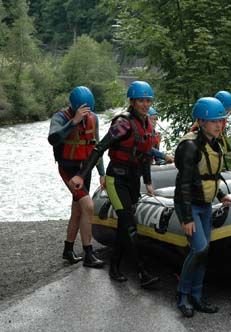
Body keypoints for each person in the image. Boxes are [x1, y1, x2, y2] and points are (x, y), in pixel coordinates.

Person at [68, 81, 159, 288]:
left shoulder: (147, 124)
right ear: (132, 101)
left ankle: (115, 267)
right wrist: (82, 175)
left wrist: (149, 182)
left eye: (148, 101)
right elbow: (99, 148)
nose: (145, 104)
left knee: (124, 225)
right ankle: (143, 272)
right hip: (116, 179)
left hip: (133, 180)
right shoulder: (123, 123)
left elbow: (145, 156)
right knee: (128, 223)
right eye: (141, 101)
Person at [174, 97, 231, 318]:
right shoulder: (190, 147)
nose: (219, 125)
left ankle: (197, 296)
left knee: (204, 252)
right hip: (188, 205)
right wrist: (187, 217)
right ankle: (182, 296)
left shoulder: (214, 143)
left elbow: (209, 175)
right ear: (200, 121)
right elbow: (185, 184)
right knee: (199, 249)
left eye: (221, 120)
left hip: (205, 205)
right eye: (213, 121)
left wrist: (221, 195)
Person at [48, 86, 105, 268]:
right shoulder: (60, 118)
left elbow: (96, 148)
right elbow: (53, 139)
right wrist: (73, 122)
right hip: (68, 170)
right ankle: (89, 254)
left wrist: (102, 173)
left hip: (85, 169)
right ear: (74, 107)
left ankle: (68, 250)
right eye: (82, 109)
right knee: (88, 205)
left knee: (78, 210)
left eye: (88, 110)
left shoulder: (93, 119)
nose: (86, 113)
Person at [214, 90, 231, 162]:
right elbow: (219, 136)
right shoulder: (212, 118)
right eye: (227, 109)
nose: (229, 112)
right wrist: (230, 151)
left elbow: (219, 135)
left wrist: (229, 151)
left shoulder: (218, 116)